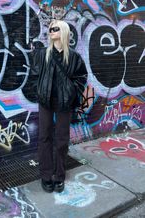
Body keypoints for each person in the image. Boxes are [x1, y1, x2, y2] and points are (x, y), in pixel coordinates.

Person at [31, 20, 88, 193]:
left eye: (55, 29)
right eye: (50, 29)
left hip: (64, 102)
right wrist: (39, 91)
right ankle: (46, 174)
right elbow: (34, 76)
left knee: (62, 140)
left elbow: (81, 78)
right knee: (44, 137)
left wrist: (70, 93)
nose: (51, 31)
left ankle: (59, 175)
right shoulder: (42, 54)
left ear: (63, 31)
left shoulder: (73, 57)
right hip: (45, 101)